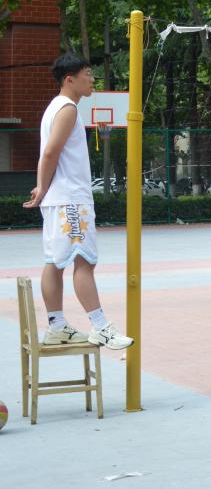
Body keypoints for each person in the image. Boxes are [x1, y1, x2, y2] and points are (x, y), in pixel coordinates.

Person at [24, 54, 133, 351]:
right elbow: (50, 152)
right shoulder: (68, 109)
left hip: (61, 199)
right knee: (84, 262)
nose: (92, 79)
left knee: (55, 262)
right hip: (70, 200)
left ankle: (57, 325)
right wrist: (42, 187)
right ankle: (101, 327)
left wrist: (43, 188)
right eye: (87, 73)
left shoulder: (54, 108)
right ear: (69, 79)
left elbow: (49, 153)